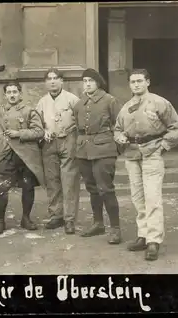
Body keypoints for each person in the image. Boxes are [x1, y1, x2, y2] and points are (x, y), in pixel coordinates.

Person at [114, 69, 178, 261]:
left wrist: (164, 145)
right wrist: (119, 136)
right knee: (138, 198)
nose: (136, 85)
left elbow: (176, 128)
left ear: (147, 82)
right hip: (132, 155)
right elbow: (118, 128)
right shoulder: (126, 107)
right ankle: (143, 235)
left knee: (152, 197)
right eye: (132, 82)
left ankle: (153, 240)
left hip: (152, 152)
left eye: (139, 81)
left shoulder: (160, 103)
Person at [0, 81, 45, 233]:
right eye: (9, 92)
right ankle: (0, 220)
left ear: (20, 94)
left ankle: (26, 218)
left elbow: (39, 131)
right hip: (7, 153)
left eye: (15, 92)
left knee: (28, 187)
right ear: (5, 95)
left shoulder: (29, 111)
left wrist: (19, 133)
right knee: (1, 187)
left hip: (26, 155)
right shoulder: (1, 111)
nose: (12, 95)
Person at [73, 68, 123, 244]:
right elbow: (76, 127)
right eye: (85, 81)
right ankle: (98, 223)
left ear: (98, 83)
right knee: (92, 188)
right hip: (83, 151)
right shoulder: (79, 103)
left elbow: (120, 125)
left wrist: (115, 149)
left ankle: (115, 228)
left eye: (91, 81)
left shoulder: (109, 100)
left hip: (104, 150)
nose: (87, 84)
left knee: (105, 189)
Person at [36, 68, 81, 234]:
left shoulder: (72, 99)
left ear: (62, 81)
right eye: (49, 79)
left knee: (69, 180)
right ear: (45, 82)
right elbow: (36, 123)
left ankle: (69, 219)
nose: (53, 81)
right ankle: (56, 215)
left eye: (56, 78)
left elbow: (82, 118)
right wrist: (43, 130)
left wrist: (72, 130)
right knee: (52, 180)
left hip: (68, 140)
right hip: (49, 143)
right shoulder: (42, 102)